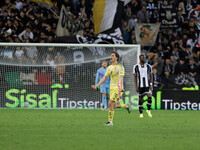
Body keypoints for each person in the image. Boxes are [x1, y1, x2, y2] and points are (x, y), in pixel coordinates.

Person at [91, 52, 130, 126]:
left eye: (113, 56)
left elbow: (121, 77)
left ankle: (110, 122)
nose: (111, 57)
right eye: (111, 55)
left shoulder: (120, 67)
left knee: (110, 103)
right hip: (111, 88)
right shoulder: (109, 68)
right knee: (114, 105)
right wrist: (97, 85)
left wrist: (121, 87)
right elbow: (104, 78)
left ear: (116, 58)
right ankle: (126, 106)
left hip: (117, 88)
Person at [133, 54, 153, 118]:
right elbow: (135, 77)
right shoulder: (136, 67)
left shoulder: (148, 66)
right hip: (140, 85)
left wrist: (151, 84)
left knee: (149, 96)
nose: (144, 59)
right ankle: (141, 113)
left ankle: (148, 110)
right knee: (140, 98)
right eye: (142, 58)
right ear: (140, 58)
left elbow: (150, 76)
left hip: (147, 85)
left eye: (144, 58)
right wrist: (136, 86)